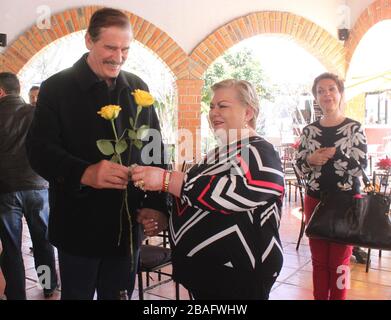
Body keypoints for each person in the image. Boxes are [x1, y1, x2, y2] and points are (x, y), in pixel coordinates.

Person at [26, 8, 167, 300]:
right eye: (110, 47)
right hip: (78, 228)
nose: (118, 57)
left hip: (127, 229)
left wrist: (155, 203)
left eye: (125, 49)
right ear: (89, 40)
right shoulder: (56, 88)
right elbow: (38, 151)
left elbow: (155, 148)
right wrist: (85, 172)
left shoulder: (138, 87)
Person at [130, 79, 285, 299]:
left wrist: (168, 180)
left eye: (223, 106)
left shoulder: (260, 150)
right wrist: (165, 216)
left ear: (248, 113)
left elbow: (242, 191)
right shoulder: (217, 153)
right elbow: (198, 201)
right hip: (208, 273)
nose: (213, 113)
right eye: (212, 106)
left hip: (238, 275)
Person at [296, 72, 368, 300]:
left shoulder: (354, 128)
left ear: (340, 93)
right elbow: (299, 166)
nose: (326, 94)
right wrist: (309, 160)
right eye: (320, 91)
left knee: (340, 263)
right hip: (315, 200)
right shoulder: (308, 131)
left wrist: (336, 154)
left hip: (346, 202)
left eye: (331, 89)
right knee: (318, 261)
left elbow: (360, 169)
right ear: (316, 97)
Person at [0, 72, 58, 300]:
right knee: (42, 240)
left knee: (11, 245)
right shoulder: (35, 113)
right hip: (37, 185)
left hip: (4, 189)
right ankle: (47, 285)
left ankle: (16, 294)